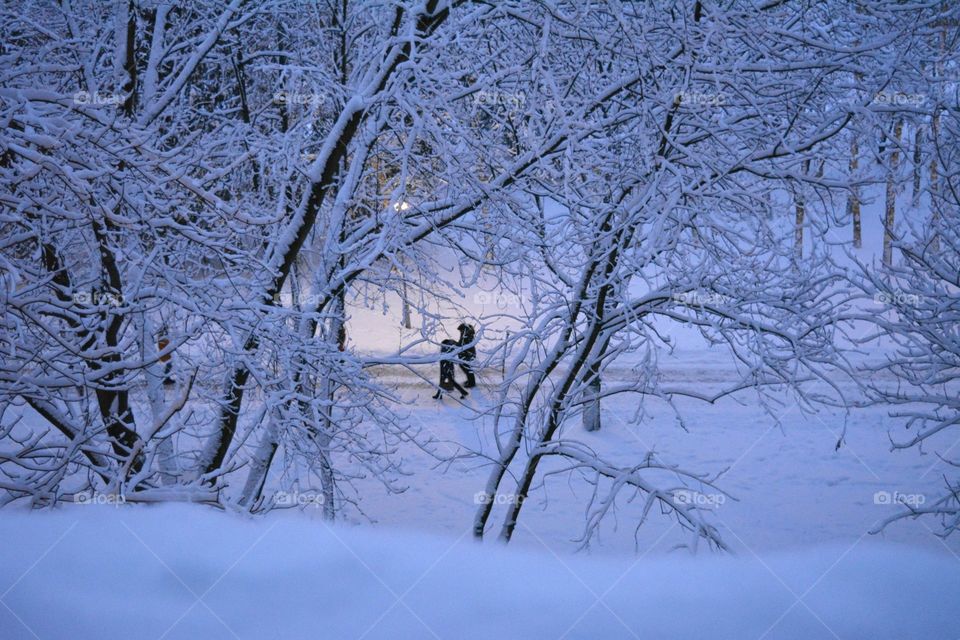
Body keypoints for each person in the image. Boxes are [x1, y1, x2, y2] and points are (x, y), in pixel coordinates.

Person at [457, 322, 477, 388]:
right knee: (466, 367)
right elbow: (461, 343)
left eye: (460, 330)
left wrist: (457, 345)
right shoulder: (466, 334)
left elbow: (463, 344)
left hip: (468, 354)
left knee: (466, 367)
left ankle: (471, 383)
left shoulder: (467, 335)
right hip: (466, 354)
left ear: (464, 329)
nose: (460, 331)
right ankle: (470, 381)